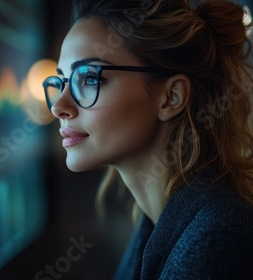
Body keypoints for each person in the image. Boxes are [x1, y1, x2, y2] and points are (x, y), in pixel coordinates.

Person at [43, 0, 253, 278]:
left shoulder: (218, 239)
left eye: (90, 78)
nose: (59, 106)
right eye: (61, 81)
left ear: (171, 97)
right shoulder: (162, 220)